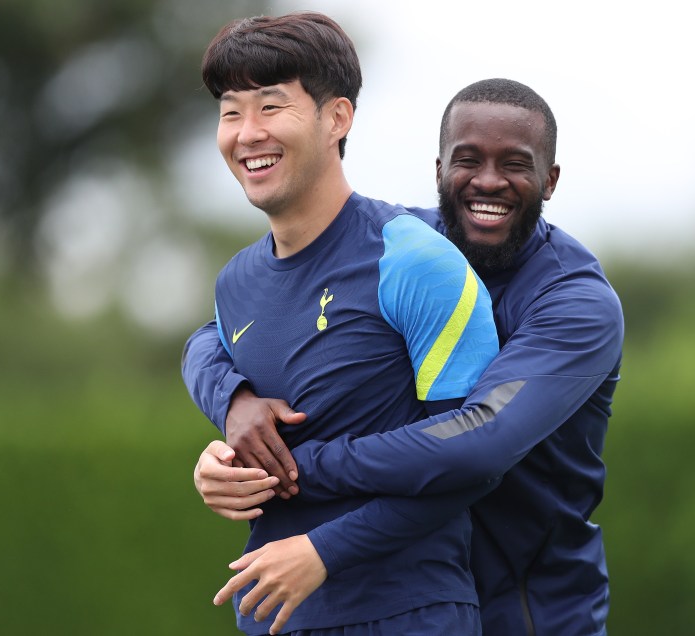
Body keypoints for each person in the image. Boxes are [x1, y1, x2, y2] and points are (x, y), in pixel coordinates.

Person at [185, 78, 625, 635]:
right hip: (408, 592)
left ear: (550, 180)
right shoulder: (409, 246)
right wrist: (235, 405)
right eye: (468, 161)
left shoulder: (576, 304)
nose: (488, 181)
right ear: (439, 171)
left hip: (531, 609)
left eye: (514, 164)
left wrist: (285, 466)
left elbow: (479, 437)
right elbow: (211, 335)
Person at [183, 11, 502, 635]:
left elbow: (471, 462)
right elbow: (207, 351)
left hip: (407, 615)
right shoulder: (235, 282)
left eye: (271, 106)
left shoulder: (415, 261)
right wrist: (223, 450)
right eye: (230, 111)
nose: (247, 133)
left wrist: (326, 551)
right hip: (270, 618)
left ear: (337, 118)